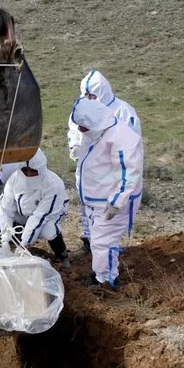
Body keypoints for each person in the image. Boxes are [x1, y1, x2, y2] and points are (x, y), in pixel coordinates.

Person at [70, 98, 143, 289]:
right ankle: (102, 274)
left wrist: (116, 201)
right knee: (99, 241)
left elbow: (128, 173)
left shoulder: (121, 137)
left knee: (104, 242)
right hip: (99, 196)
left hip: (112, 201)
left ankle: (106, 281)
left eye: (83, 127)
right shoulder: (98, 131)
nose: (80, 131)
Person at [67, 69, 141, 255]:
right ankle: (88, 242)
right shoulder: (82, 109)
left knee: (108, 214)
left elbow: (130, 145)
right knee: (87, 207)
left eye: (93, 95)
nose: (90, 98)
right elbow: (74, 130)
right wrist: (75, 146)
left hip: (110, 172)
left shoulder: (123, 111)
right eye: (86, 95)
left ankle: (107, 250)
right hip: (87, 169)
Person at [0, 149, 70, 268]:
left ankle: (63, 257)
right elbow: (5, 208)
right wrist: (4, 239)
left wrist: (24, 244)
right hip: (23, 211)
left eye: (33, 171)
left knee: (49, 230)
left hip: (50, 212)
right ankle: (11, 241)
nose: (28, 174)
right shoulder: (14, 179)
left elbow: (40, 216)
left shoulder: (52, 184)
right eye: (25, 170)